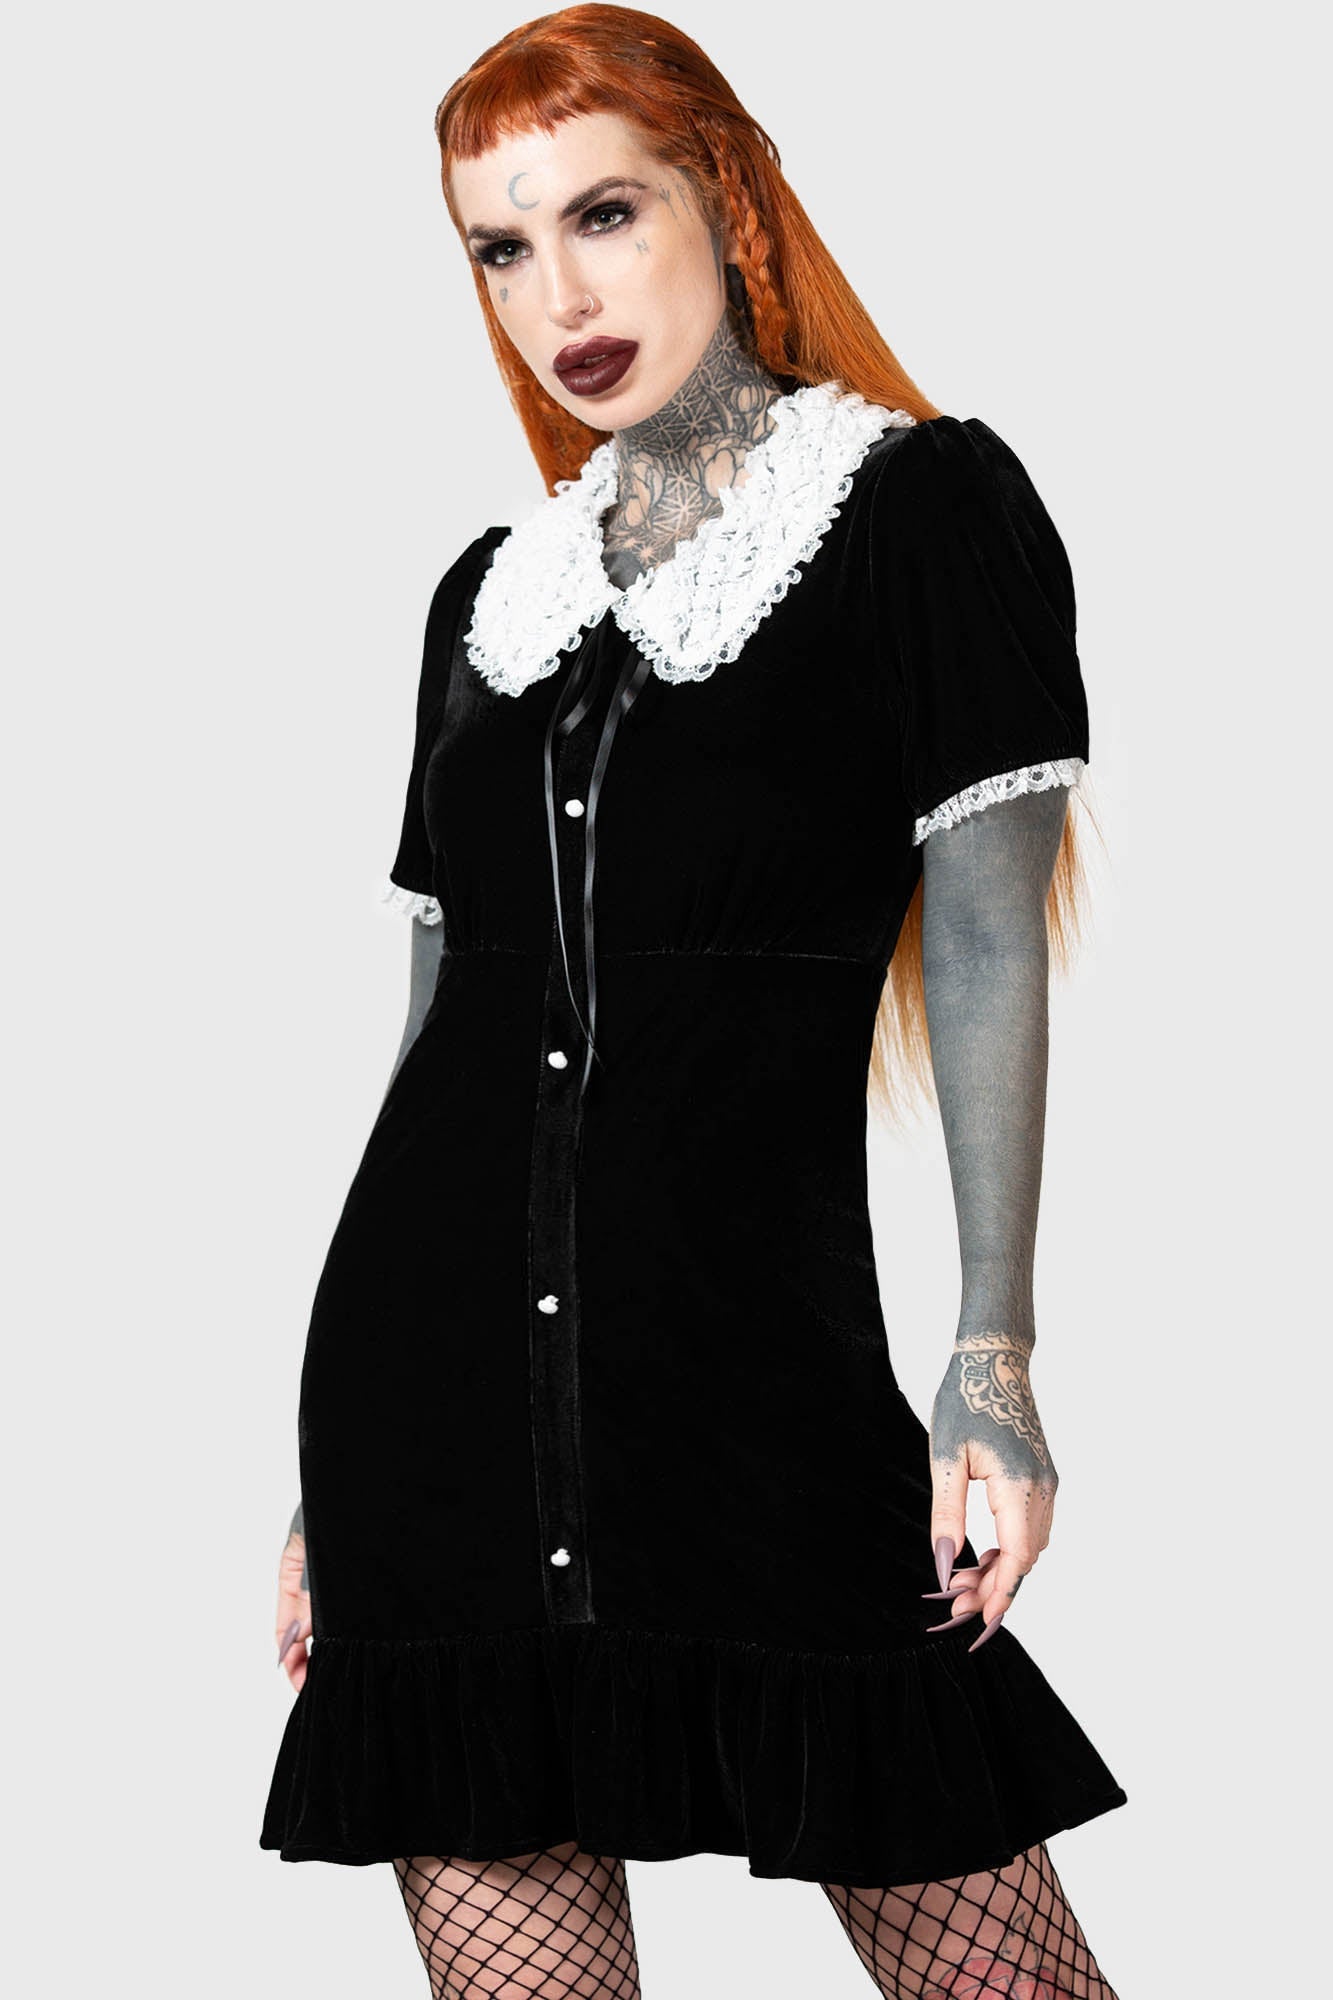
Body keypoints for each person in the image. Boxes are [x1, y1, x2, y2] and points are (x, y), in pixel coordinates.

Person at [260, 8, 1129, 1994]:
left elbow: (986, 941)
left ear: (725, 199)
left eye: (602, 215)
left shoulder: (923, 513)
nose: (555, 296)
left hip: (760, 1404)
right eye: (500, 247)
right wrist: (330, 1484)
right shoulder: (489, 596)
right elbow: (440, 1023)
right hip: (434, 1421)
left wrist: (991, 1358)